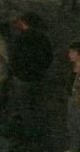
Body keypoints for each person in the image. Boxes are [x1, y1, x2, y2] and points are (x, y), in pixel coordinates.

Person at [10, 12, 53, 140]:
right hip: (39, 77)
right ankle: (40, 130)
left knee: (25, 107)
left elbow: (14, 59)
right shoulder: (43, 38)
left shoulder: (20, 39)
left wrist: (16, 73)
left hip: (23, 79)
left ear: (24, 23)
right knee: (38, 105)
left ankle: (30, 133)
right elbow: (48, 57)